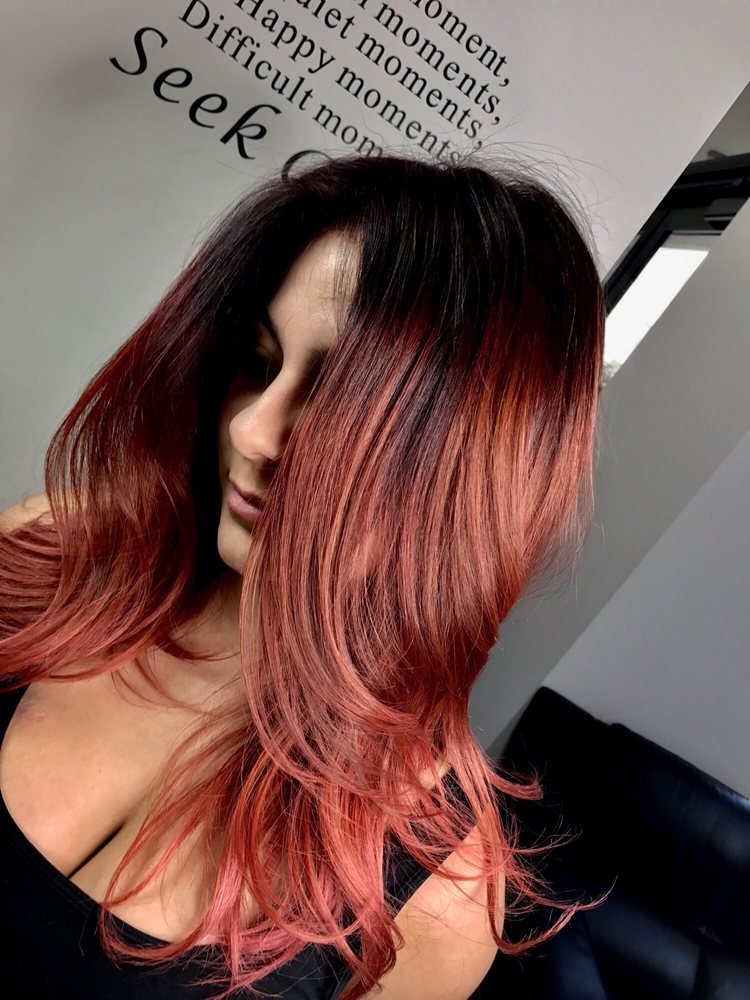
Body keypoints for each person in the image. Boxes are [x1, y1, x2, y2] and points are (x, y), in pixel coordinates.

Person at [0, 152, 607, 999]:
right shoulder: (50, 554)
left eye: (334, 404)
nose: (252, 431)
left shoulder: (431, 903)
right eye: (259, 361)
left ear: (465, 472)